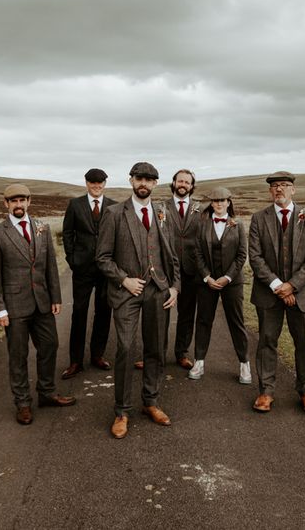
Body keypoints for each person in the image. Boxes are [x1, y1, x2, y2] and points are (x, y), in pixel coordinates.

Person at [96, 162, 180, 438]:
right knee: (125, 348)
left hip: (158, 290)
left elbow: (172, 254)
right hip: (127, 292)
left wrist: (175, 287)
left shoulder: (163, 211)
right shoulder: (113, 213)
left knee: (156, 349)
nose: (143, 183)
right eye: (139, 178)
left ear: (155, 184)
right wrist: (124, 280)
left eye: (149, 179)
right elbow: (103, 258)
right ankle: (121, 410)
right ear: (131, 180)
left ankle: (151, 402)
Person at [0, 184, 76, 425]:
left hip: (42, 303)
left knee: (50, 345)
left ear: (29, 201)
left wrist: (55, 297)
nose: (18, 204)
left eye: (22, 200)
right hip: (14, 307)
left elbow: (50, 266)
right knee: (18, 355)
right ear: (6, 204)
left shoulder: (41, 228)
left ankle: (46, 393)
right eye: (13, 201)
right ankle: (23, 402)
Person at [248, 171, 305, 414]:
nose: (279, 189)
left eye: (284, 185)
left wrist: (292, 286)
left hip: (302, 293)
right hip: (269, 293)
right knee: (267, 342)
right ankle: (266, 391)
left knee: (304, 343)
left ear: (293, 190)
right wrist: (278, 286)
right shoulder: (259, 219)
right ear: (270, 192)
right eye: (275, 186)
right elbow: (256, 258)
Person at [189, 187, 251, 385]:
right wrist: (207, 277)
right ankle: (199, 361)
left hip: (231, 282)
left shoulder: (238, 224)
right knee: (204, 321)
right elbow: (197, 253)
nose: (219, 204)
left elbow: (242, 255)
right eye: (215, 201)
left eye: (222, 200)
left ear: (229, 202)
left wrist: (228, 277)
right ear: (211, 203)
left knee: (236, 322)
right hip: (207, 282)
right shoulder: (202, 224)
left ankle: (244, 363)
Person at [61, 168, 117, 379]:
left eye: (100, 183)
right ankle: (75, 361)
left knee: (104, 312)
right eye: (92, 183)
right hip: (82, 268)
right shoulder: (75, 205)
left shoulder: (113, 206)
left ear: (105, 183)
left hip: (105, 269)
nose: (96, 186)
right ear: (86, 183)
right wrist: (72, 259)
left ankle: (97, 355)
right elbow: (67, 233)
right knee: (79, 312)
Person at [158, 168, 202, 370]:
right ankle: (155, 354)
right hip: (165, 268)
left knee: (187, 314)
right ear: (173, 183)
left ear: (192, 186)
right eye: (180, 181)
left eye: (187, 182)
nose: (183, 185)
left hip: (192, 269)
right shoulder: (160, 207)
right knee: (160, 313)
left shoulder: (200, 209)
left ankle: (181, 353)